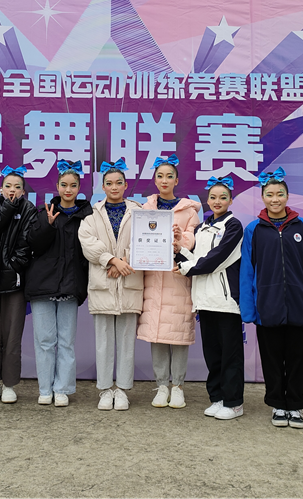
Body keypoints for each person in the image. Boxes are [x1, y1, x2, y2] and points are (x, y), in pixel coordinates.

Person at [240, 167, 303, 429]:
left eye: (280, 194)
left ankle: (296, 405)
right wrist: (249, 309)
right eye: (269, 194)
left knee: (298, 359)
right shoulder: (254, 230)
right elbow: (247, 271)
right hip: (267, 307)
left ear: (287, 196)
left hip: (300, 307)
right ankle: (278, 404)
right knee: (272, 359)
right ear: (263, 198)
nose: (275, 199)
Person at [175, 175, 244, 420]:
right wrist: (179, 251)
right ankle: (217, 398)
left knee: (230, 355)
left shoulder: (234, 226)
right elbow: (195, 259)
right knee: (213, 354)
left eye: (223, 197)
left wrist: (187, 267)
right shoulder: (202, 228)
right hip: (204, 301)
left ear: (230, 200)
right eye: (213, 197)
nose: (217, 201)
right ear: (207, 200)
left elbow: (219, 258)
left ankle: (234, 403)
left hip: (226, 301)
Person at [25, 160, 93, 407]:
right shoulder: (44, 213)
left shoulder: (88, 217)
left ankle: (62, 389)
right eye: (64, 185)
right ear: (57, 186)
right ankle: (45, 389)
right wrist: (48, 225)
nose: (68, 189)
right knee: (44, 341)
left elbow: (89, 254)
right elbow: (33, 244)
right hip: (42, 286)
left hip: (70, 287)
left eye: (73, 185)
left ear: (79, 188)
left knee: (66, 342)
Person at [79, 159, 144, 411]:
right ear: (103, 187)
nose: (114, 187)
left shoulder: (139, 212)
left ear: (126, 185)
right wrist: (111, 260)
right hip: (103, 285)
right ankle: (105, 390)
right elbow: (88, 243)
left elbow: (145, 240)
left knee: (127, 342)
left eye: (119, 183)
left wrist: (124, 260)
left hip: (129, 283)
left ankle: (123, 390)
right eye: (109, 183)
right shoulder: (91, 216)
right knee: (103, 342)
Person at [137, 154, 201, 409]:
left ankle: (178, 387)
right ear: (154, 180)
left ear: (177, 180)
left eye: (169, 176)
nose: (164, 180)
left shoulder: (188, 211)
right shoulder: (145, 210)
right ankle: (162, 385)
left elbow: (193, 241)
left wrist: (178, 239)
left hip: (177, 277)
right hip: (153, 279)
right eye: (160, 176)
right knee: (157, 334)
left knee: (179, 334)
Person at [0, 165, 37, 405]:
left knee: (13, 335)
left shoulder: (29, 209)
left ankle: (10, 384)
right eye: (8, 186)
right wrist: (8, 208)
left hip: (15, 280)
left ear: (23, 190)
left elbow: (28, 242)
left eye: (17, 187)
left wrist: (14, 265)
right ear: (1, 188)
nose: (12, 190)